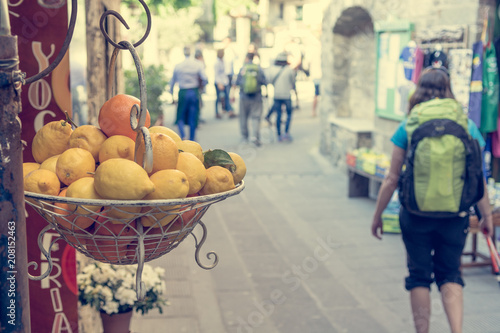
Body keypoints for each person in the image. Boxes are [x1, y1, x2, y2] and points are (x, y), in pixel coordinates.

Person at [371, 66, 494, 333]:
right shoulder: (467, 124)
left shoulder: (409, 124)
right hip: (455, 215)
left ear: (419, 90)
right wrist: (486, 216)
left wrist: (377, 215)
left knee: (419, 276)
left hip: (415, 215)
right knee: (451, 274)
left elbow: (392, 178)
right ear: (448, 89)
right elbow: (478, 177)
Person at [169, 46, 208, 141]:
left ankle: (183, 136)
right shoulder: (197, 64)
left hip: (183, 92)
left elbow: (172, 82)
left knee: (180, 116)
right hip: (194, 92)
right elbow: (205, 79)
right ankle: (192, 139)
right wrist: (202, 88)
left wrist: (171, 94)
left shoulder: (178, 66)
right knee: (193, 116)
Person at [235, 52, 267, 146]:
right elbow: (264, 81)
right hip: (257, 97)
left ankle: (244, 137)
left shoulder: (243, 68)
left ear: (246, 58)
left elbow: (237, 82)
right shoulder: (258, 69)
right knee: (256, 117)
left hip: (244, 97)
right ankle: (255, 137)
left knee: (243, 117)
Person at [265, 52, 296, 142]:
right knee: (289, 114)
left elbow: (269, 81)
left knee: (278, 114)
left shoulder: (272, 69)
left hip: (277, 95)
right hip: (287, 95)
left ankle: (279, 134)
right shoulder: (289, 69)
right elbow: (292, 82)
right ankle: (286, 132)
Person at [214, 49, 236, 119]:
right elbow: (216, 74)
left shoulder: (224, 61)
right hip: (219, 82)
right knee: (218, 98)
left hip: (224, 81)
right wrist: (219, 83)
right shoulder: (216, 63)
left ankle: (229, 111)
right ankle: (217, 112)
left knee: (226, 97)